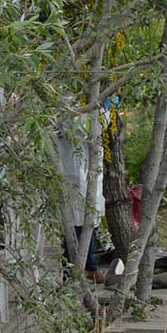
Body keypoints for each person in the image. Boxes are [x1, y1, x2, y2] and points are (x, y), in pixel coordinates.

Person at [55, 113, 106, 282]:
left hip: (87, 171)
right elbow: (82, 129)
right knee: (74, 226)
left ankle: (89, 266)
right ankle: (72, 273)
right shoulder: (65, 105)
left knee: (89, 222)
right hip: (72, 172)